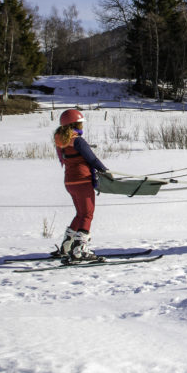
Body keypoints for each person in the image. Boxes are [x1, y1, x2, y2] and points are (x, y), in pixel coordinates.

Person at [52, 108, 108, 261]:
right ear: (74, 124)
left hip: (70, 181)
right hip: (82, 180)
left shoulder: (61, 141)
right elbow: (92, 159)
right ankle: (80, 250)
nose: (82, 126)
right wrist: (105, 170)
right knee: (87, 214)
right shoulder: (77, 140)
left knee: (80, 214)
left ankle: (67, 245)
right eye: (80, 123)